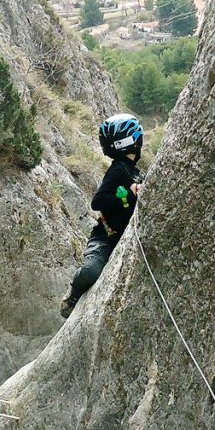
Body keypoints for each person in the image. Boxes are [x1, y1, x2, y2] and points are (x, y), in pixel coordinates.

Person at [60, 113, 144, 319]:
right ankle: (73, 293)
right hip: (104, 238)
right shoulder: (118, 171)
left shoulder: (134, 172)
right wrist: (127, 193)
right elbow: (97, 202)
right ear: (132, 141)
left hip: (121, 240)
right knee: (91, 271)